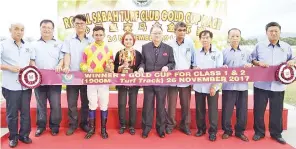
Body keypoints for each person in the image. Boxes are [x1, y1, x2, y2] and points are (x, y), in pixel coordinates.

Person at [251, 22, 296, 144]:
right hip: (261, 84)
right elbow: (252, 59)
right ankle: (259, 132)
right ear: (266, 33)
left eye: (276, 31)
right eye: (271, 31)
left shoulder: (286, 47)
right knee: (259, 110)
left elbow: (293, 58)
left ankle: (276, 133)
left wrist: (292, 61)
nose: (273, 33)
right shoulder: (259, 46)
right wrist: (258, 63)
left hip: (278, 85)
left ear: (280, 32)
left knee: (277, 110)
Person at [0, 23, 35, 148]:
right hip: (10, 87)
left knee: (26, 112)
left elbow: (32, 60)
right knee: (12, 113)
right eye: (16, 29)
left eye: (22, 30)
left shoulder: (28, 46)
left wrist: (32, 69)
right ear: (10, 30)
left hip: (26, 86)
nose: (19, 32)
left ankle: (24, 135)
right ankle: (13, 137)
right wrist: (9, 67)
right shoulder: (3, 45)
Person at [138, 24, 175, 138]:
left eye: (159, 33)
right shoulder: (145, 47)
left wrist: (167, 67)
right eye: (155, 33)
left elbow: (172, 63)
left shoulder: (168, 48)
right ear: (151, 35)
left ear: (162, 35)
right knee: (147, 106)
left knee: (161, 106)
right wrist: (141, 68)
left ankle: (160, 129)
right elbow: (142, 61)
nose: (157, 35)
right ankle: (146, 128)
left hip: (162, 83)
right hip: (148, 83)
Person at [62, 14, 93, 135]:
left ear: (85, 25)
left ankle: (84, 123)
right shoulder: (68, 39)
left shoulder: (91, 40)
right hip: (72, 75)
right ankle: (73, 124)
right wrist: (66, 66)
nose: (80, 25)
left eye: (82, 23)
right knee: (71, 102)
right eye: (77, 23)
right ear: (73, 25)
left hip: (87, 76)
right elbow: (67, 54)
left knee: (86, 102)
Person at [81, 26, 114, 139]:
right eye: (96, 35)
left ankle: (103, 130)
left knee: (104, 104)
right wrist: (87, 69)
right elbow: (82, 64)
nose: (98, 37)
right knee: (92, 104)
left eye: (100, 35)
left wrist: (110, 68)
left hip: (104, 82)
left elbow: (112, 64)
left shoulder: (108, 49)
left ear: (104, 35)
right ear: (93, 35)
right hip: (91, 81)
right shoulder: (87, 48)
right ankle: (92, 129)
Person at [32, 19, 63, 137]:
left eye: (49, 27)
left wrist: (60, 64)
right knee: (41, 104)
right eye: (44, 27)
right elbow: (32, 60)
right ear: (40, 28)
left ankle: (54, 126)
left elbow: (62, 58)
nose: (46, 29)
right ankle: (41, 126)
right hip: (39, 80)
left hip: (55, 80)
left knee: (55, 104)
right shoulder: (34, 44)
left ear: (53, 29)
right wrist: (33, 68)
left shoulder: (59, 43)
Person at [221, 28, 252, 142]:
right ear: (228, 37)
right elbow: (219, 67)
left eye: (237, 36)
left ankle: (240, 132)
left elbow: (253, 65)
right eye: (232, 36)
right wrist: (222, 67)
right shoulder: (223, 52)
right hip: (228, 87)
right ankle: (227, 130)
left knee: (242, 110)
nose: (234, 38)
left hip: (242, 87)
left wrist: (250, 65)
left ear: (240, 38)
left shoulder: (246, 52)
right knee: (227, 110)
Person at [192, 30, 223, 141]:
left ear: (211, 39)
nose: (205, 39)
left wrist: (215, 86)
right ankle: (201, 129)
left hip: (212, 87)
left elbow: (220, 71)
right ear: (200, 39)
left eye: (207, 37)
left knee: (212, 110)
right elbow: (193, 66)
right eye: (202, 37)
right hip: (199, 86)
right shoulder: (196, 52)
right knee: (200, 109)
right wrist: (194, 68)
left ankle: (213, 132)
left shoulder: (218, 53)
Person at [165, 22, 195, 135]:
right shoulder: (169, 44)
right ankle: (170, 125)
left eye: (184, 30)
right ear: (175, 31)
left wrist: (192, 78)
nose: (182, 32)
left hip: (185, 79)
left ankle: (185, 125)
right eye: (179, 30)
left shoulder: (190, 43)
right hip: (172, 79)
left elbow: (193, 60)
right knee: (171, 104)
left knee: (185, 104)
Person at [114, 32, 142, 135]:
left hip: (133, 83)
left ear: (133, 41)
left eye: (130, 39)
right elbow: (115, 67)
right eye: (126, 39)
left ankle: (131, 126)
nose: (128, 41)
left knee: (133, 104)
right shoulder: (119, 53)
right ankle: (122, 125)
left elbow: (140, 65)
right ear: (123, 41)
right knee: (121, 104)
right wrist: (119, 68)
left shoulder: (137, 53)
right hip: (122, 83)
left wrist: (137, 70)